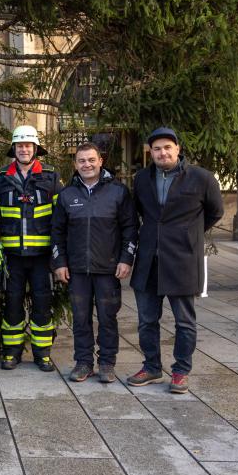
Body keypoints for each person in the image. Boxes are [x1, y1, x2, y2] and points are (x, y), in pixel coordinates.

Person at [128, 127, 223, 394]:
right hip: (148, 260)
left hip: (183, 259)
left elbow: (215, 212)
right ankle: (152, 367)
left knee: (184, 321)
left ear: (178, 149)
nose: (162, 153)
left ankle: (181, 371)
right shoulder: (142, 179)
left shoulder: (201, 178)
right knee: (147, 320)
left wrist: (187, 234)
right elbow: (138, 212)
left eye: (167, 147)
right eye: (157, 149)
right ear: (151, 152)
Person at [52, 142, 138, 384]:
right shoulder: (67, 195)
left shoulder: (118, 192)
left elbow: (130, 229)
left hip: (108, 268)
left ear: (100, 161)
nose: (87, 165)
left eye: (91, 160)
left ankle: (107, 363)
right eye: (81, 161)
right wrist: (59, 263)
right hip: (77, 269)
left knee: (108, 317)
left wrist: (126, 258)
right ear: (75, 164)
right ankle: (83, 362)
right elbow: (56, 232)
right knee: (80, 318)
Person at [0, 125, 63, 372]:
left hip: (41, 257)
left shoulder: (50, 176)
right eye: (20, 145)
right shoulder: (0, 178)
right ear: (14, 149)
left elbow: (60, 219)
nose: (24, 149)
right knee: (12, 304)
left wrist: (59, 255)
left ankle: (42, 354)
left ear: (36, 148)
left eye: (28, 145)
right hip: (12, 256)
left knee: (42, 304)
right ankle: (11, 353)